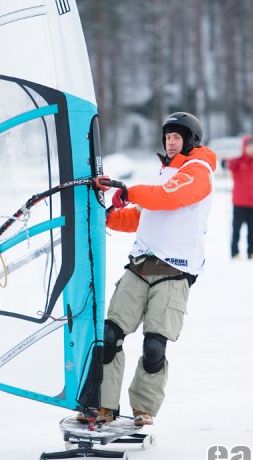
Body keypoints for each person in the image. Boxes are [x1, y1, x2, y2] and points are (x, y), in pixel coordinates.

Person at [89, 112, 216, 426]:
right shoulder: (162, 174)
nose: (171, 143)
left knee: (154, 346)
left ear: (191, 140)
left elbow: (170, 198)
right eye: (168, 137)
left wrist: (129, 191)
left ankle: (143, 410)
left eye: (177, 137)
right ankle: (103, 406)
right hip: (140, 266)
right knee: (109, 335)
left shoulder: (198, 169)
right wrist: (103, 215)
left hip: (175, 272)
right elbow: (140, 216)